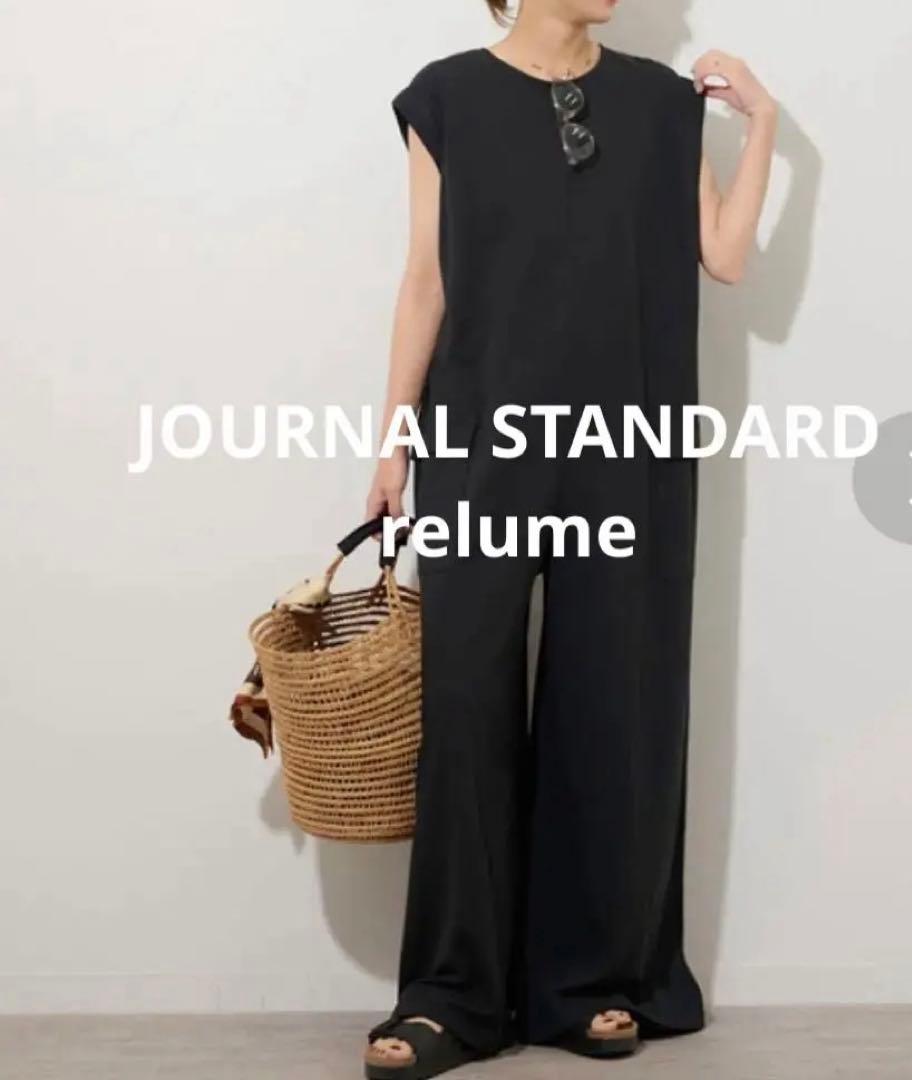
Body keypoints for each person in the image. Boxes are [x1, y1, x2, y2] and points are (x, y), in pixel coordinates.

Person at [363, 1, 776, 1076]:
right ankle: (451, 996)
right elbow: (426, 279)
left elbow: (725, 257)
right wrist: (393, 442)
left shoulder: (659, 104)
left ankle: (588, 980)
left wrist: (765, 127)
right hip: (479, 437)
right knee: (465, 707)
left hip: (628, 446)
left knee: (613, 702)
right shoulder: (447, 97)